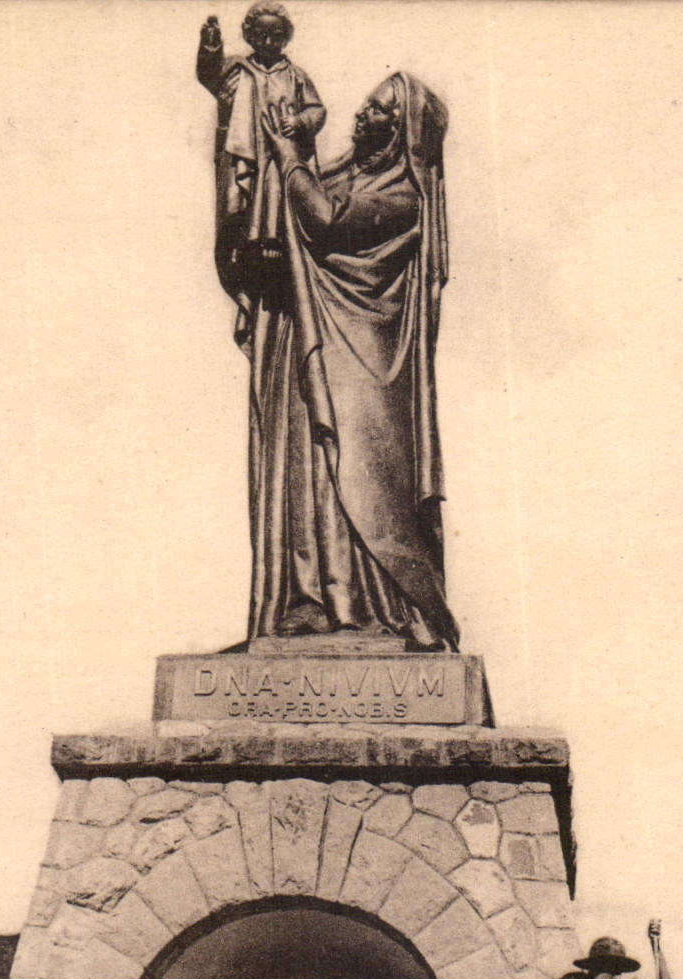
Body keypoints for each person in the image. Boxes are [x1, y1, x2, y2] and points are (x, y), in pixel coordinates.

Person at [240, 72, 459, 649]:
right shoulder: (338, 173)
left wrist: (289, 157)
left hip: (364, 369)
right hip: (308, 348)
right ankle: (310, 602)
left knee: (355, 473)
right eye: (365, 104)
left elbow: (324, 220)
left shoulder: (403, 198)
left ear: (403, 133)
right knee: (306, 466)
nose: (361, 114)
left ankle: (369, 609)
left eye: (379, 109)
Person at [197, 4, 326, 309]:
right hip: (246, 158)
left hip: (282, 157)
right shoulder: (237, 70)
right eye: (261, 35)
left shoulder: (295, 75)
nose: (268, 42)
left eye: (276, 36)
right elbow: (208, 74)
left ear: (286, 38)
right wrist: (210, 45)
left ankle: (274, 241)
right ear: (250, 36)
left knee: (278, 196)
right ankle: (248, 244)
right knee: (245, 203)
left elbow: (316, 109)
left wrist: (300, 122)